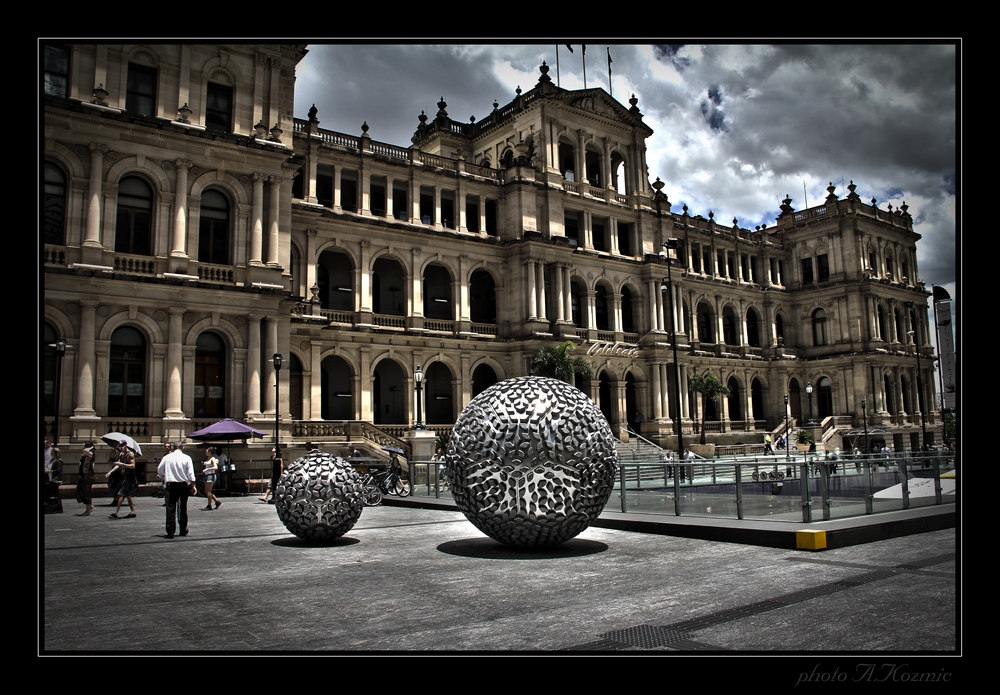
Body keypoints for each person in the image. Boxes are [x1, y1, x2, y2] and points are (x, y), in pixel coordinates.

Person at [157, 442, 196, 539]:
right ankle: (183, 529)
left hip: (171, 485)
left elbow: (160, 469)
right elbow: (191, 473)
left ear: (173, 448)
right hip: (183, 485)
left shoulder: (167, 457)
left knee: (170, 506)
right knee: (182, 507)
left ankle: (170, 530)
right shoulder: (187, 458)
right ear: (182, 447)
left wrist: (163, 476)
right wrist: (193, 485)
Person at [107, 440, 138, 519]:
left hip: (130, 478)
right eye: (120, 447)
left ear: (126, 446)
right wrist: (110, 472)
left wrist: (122, 464)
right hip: (124, 476)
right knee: (127, 495)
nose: (121, 449)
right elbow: (118, 465)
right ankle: (133, 512)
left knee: (120, 494)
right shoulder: (121, 454)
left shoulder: (130, 454)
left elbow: (133, 466)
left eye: (122, 447)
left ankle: (116, 513)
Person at [75, 442, 97, 516]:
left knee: (86, 492)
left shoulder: (90, 453)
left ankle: (88, 510)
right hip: (84, 475)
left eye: (83, 445)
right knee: (80, 491)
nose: (82, 446)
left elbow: (86, 451)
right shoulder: (85, 454)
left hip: (88, 475)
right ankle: (90, 506)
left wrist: (89, 448)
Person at [45, 447, 64, 513]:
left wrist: (50, 471)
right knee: (52, 494)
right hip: (50, 478)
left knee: (54, 494)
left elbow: (58, 470)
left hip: (56, 479)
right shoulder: (52, 460)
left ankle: (56, 507)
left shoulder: (59, 461)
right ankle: (54, 507)